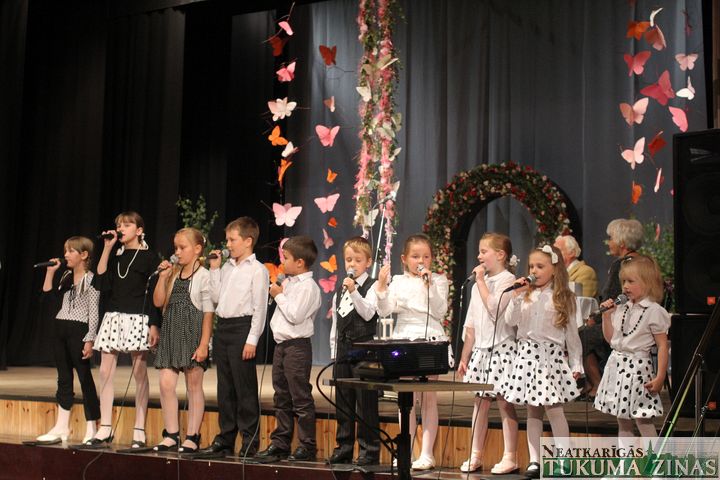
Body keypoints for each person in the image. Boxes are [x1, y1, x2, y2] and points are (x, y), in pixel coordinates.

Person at [79, 211, 159, 449]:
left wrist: (154, 324)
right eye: (119, 225)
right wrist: (107, 248)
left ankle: (139, 429)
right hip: (114, 316)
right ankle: (105, 427)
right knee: (105, 371)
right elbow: (100, 282)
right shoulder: (116, 256)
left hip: (138, 318)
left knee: (139, 373)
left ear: (139, 230)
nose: (121, 228)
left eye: (127, 225)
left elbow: (155, 295)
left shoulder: (150, 257)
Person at [503, 245, 583, 479]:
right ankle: (535, 460)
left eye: (540, 266)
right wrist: (516, 297)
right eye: (531, 266)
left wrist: (576, 362)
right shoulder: (525, 295)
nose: (534, 271)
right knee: (533, 410)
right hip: (527, 357)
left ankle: (564, 459)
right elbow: (510, 321)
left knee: (554, 409)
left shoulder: (564, 297)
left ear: (554, 269)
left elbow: (572, 334)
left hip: (550, 359)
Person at [376, 233, 449, 471]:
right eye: (416, 256)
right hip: (405, 336)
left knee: (428, 397)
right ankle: (405, 452)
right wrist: (382, 288)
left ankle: (427, 454)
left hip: (430, 338)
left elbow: (439, 311)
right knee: (406, 398)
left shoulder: (439, 280)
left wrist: (429, 285)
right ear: (404, 259)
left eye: (426, 256)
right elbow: (385, 310)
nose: (421, 261)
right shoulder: (398, 282)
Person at [197, 217, 269, 458]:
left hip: (242, 328)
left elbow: (260, 308)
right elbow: (216, 298)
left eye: (232, 240)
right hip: (224, 328)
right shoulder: (226, 267)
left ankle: (249, 440)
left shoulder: (257, 270)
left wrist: (252, 339)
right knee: (225, 388)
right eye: (227, 240)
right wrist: (215, 270)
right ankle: (225, 439)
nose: (227, 244)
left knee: (244, 388)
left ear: (248, 241)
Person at [456, 233, 519, 474]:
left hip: (503, 349)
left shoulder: (508, 280)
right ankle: (475, 454)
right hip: (481, 351)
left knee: (504, 402)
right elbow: (471, 325)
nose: (479, 256)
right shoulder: (476, 286)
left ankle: (510, 456)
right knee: (480, 403)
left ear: (500, 255)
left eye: (484, 251)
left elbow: (494, 308)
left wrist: (481, 281)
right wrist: (464, 357)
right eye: (479, 251)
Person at [256, 236, 321, 462]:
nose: (282, 262)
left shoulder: (308, 287)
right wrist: (279, 292)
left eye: (286, 258)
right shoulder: (289, 282)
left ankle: (307, 445)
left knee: (300, 397)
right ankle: (280, 442)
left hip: (297, 347)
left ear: (300, 262)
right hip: (281, 346)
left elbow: (295, 315)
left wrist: (279, 296)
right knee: (281, 396)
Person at [151, 228, 214, 453]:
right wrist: (162, 278)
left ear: (197, 249)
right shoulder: (173, 274)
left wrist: (203, 344)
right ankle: (171, 434)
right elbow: (158, 302)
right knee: (166, 384)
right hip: (171, 333)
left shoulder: (203, 275)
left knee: (193, 386)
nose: (177, 252)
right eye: (175, 248)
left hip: (192, 334)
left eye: (182, 247)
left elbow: (208, 314)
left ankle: (193, 435)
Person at [594, 255, 669, 437]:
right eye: (623, 282)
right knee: (622, 420)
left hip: (637, 369)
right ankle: (625, 456)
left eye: (631, 281)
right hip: (617, 365)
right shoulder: (622, 308)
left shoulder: (653, 311)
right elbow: (611, 340)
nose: (625, 286)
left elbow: (662, 346)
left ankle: (654, 455)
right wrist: (606, 316)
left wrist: (660, 376)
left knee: (642, 419)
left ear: (647, 283)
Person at [37, 237, 100, 444]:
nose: (66, 255)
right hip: (60, 328)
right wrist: (50, 272)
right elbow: (48, 298)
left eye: (71, 251)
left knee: (84, 377)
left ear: (84, 255)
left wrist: (90, 339)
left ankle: (92, 425)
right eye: (65, 251)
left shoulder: (92, 279)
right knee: (63, 377)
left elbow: (94, 312)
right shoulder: (65, 275)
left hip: (78, 330)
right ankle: (61, 425)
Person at [328, 237, 380, 466]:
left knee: (365, 402)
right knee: (343, 401)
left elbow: (368, 313)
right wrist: (334, 350)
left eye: (358, 260)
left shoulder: (373, 286)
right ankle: (344, 447)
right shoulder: (340, 290)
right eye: (349, 259)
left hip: (363, 349)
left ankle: (369, 450)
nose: (352, 264)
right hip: (343, 349)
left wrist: (354, 291)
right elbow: (336, 322)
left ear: (368, 262)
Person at [580, 219, 643, 399]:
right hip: (639, 322)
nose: (609, 242)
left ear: (622, 242)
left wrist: (594, 319)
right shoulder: (643, 261)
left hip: (622, 324)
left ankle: (597, 385)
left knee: (581, 335)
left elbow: (613, 298)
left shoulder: (622, 265)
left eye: (611, 238)